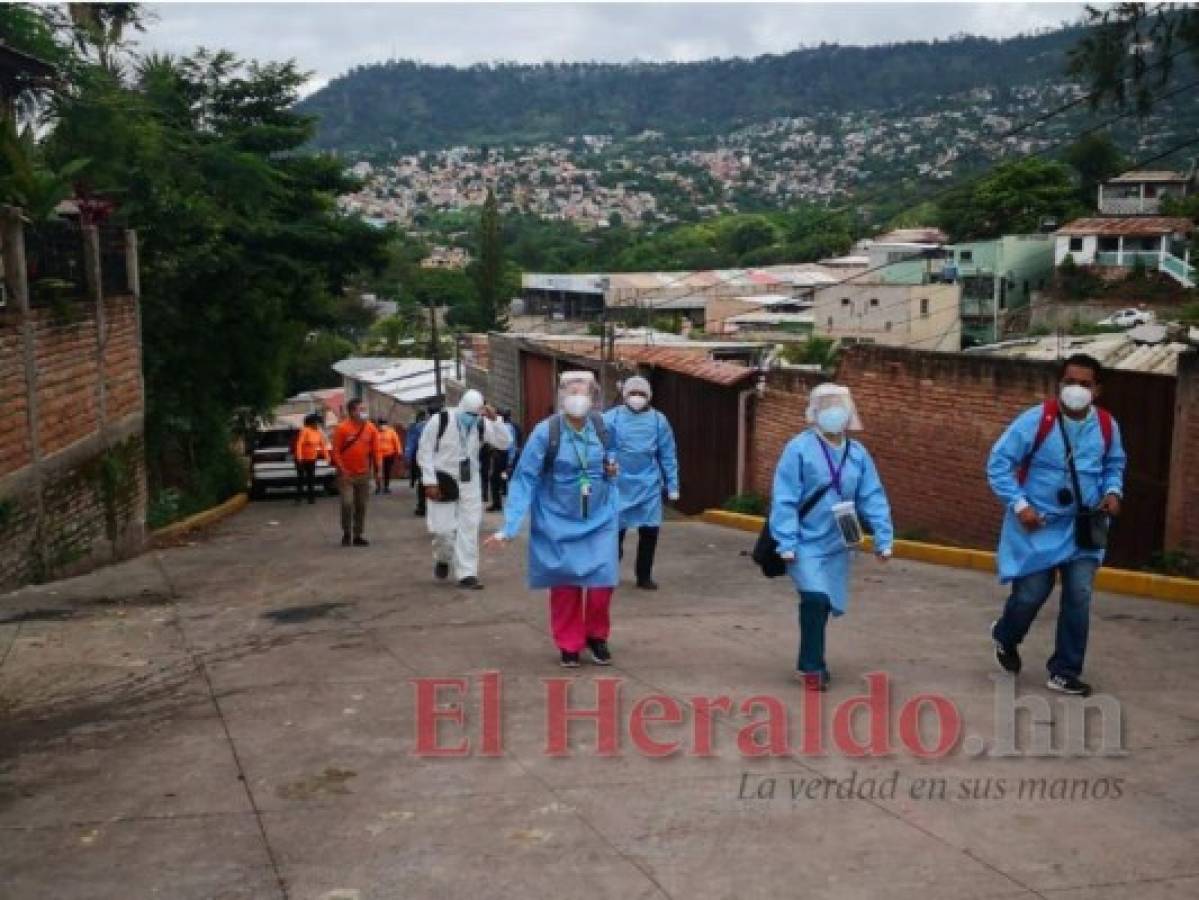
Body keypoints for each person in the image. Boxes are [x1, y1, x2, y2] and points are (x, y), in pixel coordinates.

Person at [987, 353, 1126, 697]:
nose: (1076, 389)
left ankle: (1065, 670)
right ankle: (1006, 635)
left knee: (1079, 595)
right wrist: (1020, 506)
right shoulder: (1036, 421)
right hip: (1038, 525)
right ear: (1059, 385)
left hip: (1084, 527)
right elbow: (998, 464)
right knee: (1031, 594)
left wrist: (1112, 491)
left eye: (1085, 384)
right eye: (1070, 382)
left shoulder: (1107, 426)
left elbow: (1114, 464)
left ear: (1097, 389)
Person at [486, 371, 620, 667]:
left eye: (583, 392)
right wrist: (508, 528)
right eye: (571, 391)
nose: (577, 397)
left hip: (599, 518)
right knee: (565, 584)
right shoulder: (546, 432)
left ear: (593, 396)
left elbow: (613, 453)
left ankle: (597, 636)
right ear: (561, 397)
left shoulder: (603, 426)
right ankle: (569, 643)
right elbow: (524, 479)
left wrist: (612, 469)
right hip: (557, 519)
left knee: (602, 583)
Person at [769, 384, 893, 691]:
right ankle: (810, 666)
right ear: (813, 412)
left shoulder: (858, 453)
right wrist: (785, 540)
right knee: (815, 597)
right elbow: (784, 496)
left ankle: (815, 656)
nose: (834, 412)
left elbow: (872, 496)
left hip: (839, 541)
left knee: (826, 602)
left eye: (839, 405)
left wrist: (883, 536)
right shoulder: (798, 448)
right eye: (827, 405)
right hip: (803, 542)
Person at [417, 389, 511, 589]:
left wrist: (496, 421)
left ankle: (467, 574)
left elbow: (505, 443)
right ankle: (443, 558)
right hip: (444, 479)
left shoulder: (482, 423)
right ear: (460, 408)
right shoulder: (440, 420)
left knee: (469, 527)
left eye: (476, 415)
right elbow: (424, 451)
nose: (472, 419)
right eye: (469, 415)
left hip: (470, 481)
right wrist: (429, 481)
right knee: (443, 530)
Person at [603, 376, 680, 590]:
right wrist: (606, 465)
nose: (637, 398)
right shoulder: (611, 418)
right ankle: (609, 572)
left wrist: (673, 485)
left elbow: (668, 454)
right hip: (619, 482)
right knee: (615, 532)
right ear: (625, 395)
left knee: (650, 531)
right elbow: (599, 445)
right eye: (633, 393)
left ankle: (644, 575)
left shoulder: (659, 421)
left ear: (649, 397)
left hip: (648, 483)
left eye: (642, 394)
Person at [330, 399, 379, 547]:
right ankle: (346, 532)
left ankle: (358, 535)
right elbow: (336, 451)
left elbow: (376, 451)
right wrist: (341, 468)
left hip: (363, 474)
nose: (364, 412)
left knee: (361, 505)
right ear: (352, 412)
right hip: (346, 475)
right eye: (361, 409)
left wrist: (378, 470)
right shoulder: (342, 428)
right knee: (347, 503)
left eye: (365, 409)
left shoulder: (371, 428)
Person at [487, 409, 520, 512]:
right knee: (501, 478)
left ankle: (499, 503)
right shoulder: (507, 427)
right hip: (503, 456)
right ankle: (499, 502)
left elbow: (511, 444)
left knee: (498, 479)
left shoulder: (506, 428)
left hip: (502, 456)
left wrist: (510, 459)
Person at [293, 413, 329, 505]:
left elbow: (323, 445)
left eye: (319, 423)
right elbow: (299, 444)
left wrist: (327, 457)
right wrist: (299, 457)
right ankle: (298, 498)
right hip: (301, 458)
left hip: (311, 458)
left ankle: (311, 498)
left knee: (311, 478)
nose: (318, 425)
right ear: (311, 423)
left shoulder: (318, 432)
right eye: (317, 423)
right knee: (301, 478)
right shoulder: (305, 431)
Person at [406, 409, 430, 516]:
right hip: (435, 458)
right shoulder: (435, 424)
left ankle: (422, 506)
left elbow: (411, 443)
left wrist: (408, 457)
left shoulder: (416, 427)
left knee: (422, 481)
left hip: (421, 456)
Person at [375, 419, 403, 495]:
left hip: (389, 454)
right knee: (378, 471)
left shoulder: (391, 432)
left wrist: (399, 452)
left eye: (384, 424)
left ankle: (386, 487)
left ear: (386, 425)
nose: (382, 426)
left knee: (387, 471)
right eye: (381, 425)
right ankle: (378, 487)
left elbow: (396, 442)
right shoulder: (375, 432)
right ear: (378, 425)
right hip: (378, 455)